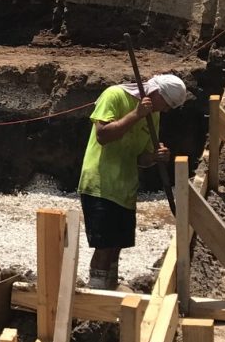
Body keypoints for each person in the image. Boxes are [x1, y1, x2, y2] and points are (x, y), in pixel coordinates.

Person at [78, 73, 191, 290]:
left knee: (116, 246)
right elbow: (103, 135)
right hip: (101, 183)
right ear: (157, 92)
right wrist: (136, 115)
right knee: (104, 245)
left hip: (125, 187)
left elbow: (141, 158)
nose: (165, 110)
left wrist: (155, 157)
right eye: (166, 104)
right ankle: (97, 294)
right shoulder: (114, 96)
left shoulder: (153, 115)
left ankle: (109, 288)